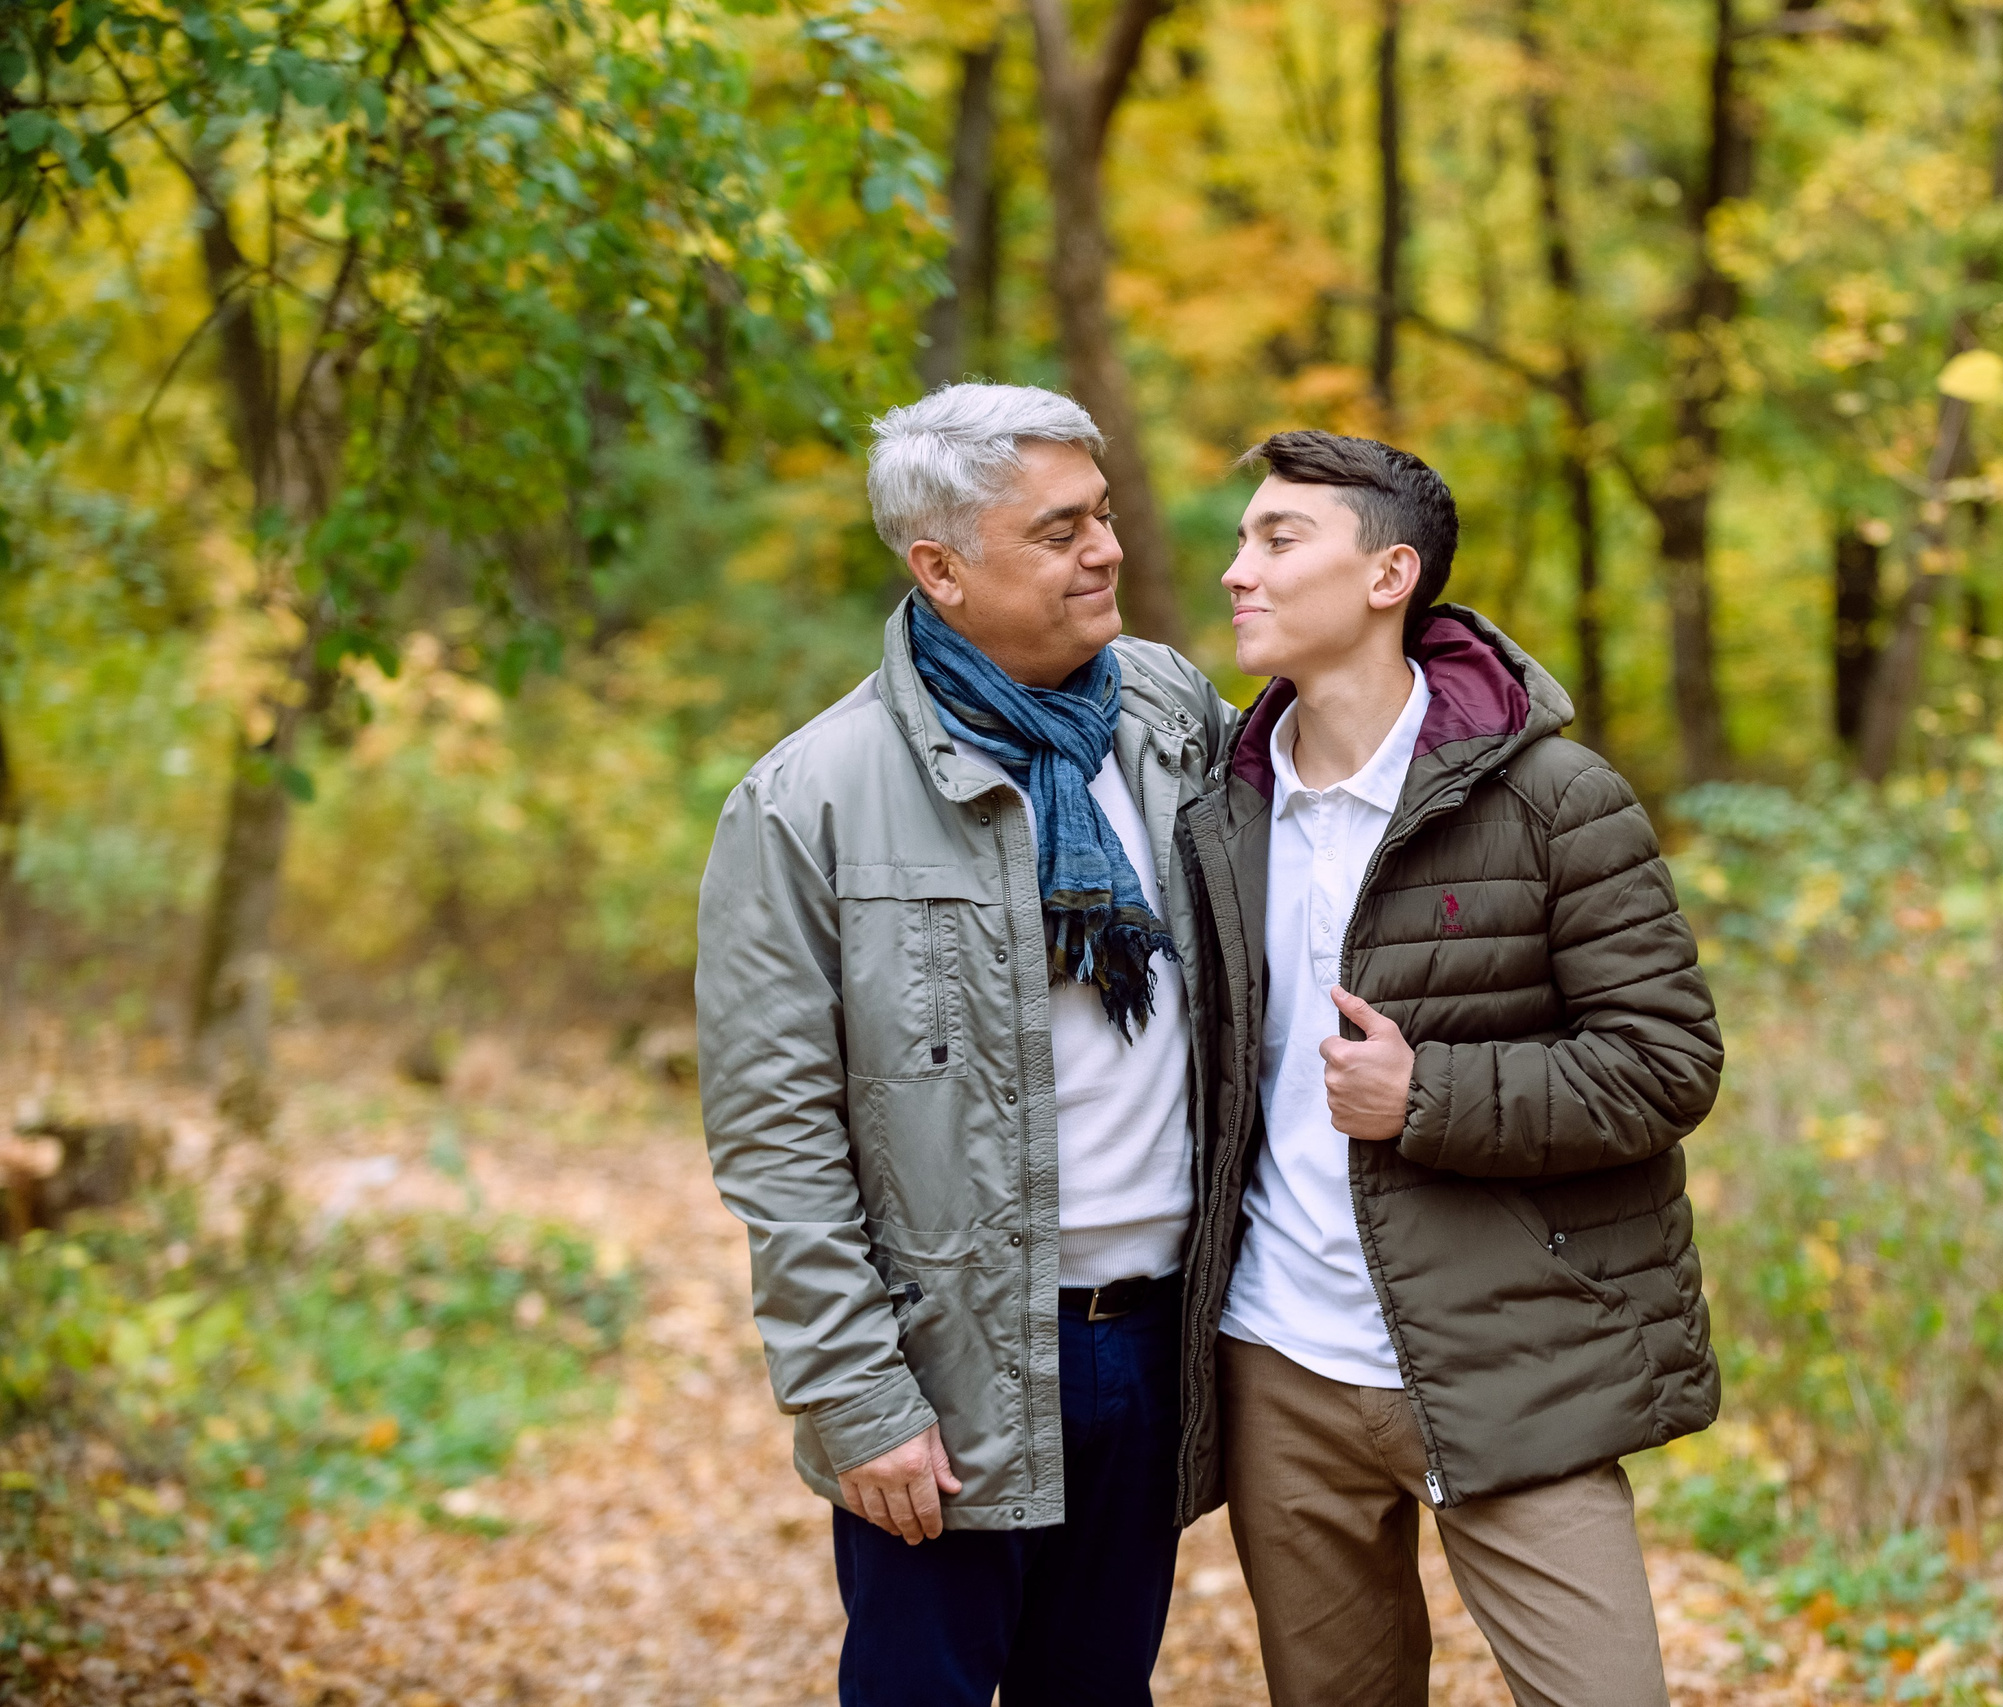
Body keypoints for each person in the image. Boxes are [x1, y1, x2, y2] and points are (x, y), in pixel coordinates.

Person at [696, 383, 1231, 1706]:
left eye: (1101, 515)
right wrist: (855, 1396)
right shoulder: (808, 798)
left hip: (1157, 1338)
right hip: (950, 1359)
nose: (1106, 550)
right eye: (1059, 531)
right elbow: (777, 1135)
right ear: (940, 569)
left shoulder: (1170, 719)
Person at [1173, 430, 1725, 1707]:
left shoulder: (1557, 799)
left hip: (1510, 1354)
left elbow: (1665, 1064)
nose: (1237, 571)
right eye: (1243, 539)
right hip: (1279, 1363)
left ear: (1389, 576)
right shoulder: (1217, 809)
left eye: (1278, 539)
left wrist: (1425, 1098)